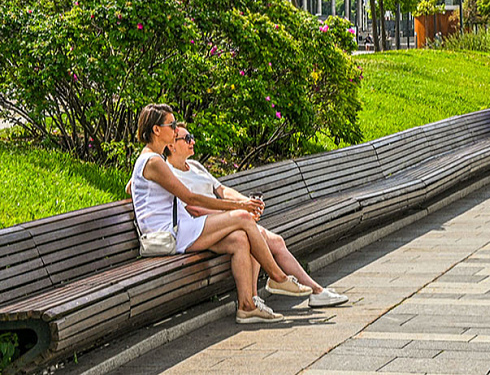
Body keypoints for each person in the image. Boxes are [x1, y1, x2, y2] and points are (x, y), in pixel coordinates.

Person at [130, 104, 312, 324]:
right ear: (156, 130)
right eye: (171, 125)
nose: (176, 129)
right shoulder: (153, 161)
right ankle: (278, 277)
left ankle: (247, 306)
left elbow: (132, 187)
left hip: (182, 227)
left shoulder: (152, 159)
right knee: (243, 218)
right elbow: (191, 198)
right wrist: (239, 207)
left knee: (239, 239)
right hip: (169, 233)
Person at [164, 123, 348, 308]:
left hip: (226, 217)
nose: (192, 141)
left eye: (192, 136)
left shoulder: (195, 166)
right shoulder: (169, 173)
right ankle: (262, 294)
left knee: (277, 241)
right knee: (254, 235)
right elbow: (192, 208)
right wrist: (236, 213)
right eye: (187, 138)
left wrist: (247, 203)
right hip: (204, 226)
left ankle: (310, 291)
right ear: (171, 145)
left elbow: (222, 190)